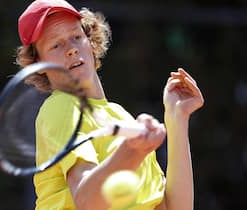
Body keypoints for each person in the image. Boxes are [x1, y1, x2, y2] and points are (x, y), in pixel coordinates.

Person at [15, 0, 204, 209]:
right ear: (38, 64)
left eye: (76, 37)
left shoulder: (121, 116)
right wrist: (132, 152)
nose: (70, 49)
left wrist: (177, 118)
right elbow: (87, 202)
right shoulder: (60, 108)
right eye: (56, 45)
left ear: (90, 41)